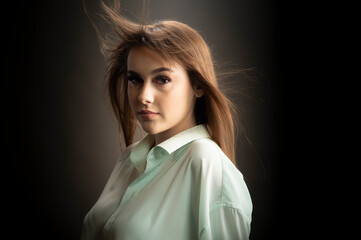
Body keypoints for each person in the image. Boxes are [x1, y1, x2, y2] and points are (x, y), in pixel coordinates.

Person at [81, 1, 252, 239]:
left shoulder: (206, 164)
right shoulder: (129, 161)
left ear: (198, 85)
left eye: (162, 79)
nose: (143, 96)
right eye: (135, 79)